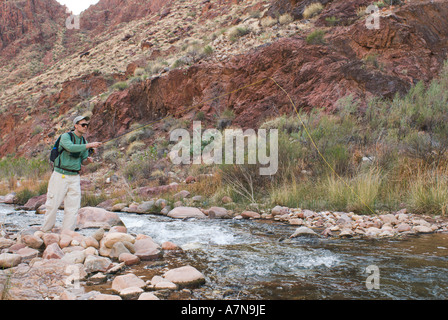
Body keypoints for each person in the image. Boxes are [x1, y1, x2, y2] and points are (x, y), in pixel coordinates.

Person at [42, 116, 102, 232]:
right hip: (60, 175)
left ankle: (67, 233)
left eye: (87, 125)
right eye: (83, 124)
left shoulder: (83, 141)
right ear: (75, 125)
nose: (85, 127)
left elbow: (83, 160)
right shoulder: (66, 137)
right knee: (53, 205)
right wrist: (90, 145)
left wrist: (88, 161)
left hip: (75, 177)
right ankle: (45, 231)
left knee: (73, 208)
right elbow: (70, 148)